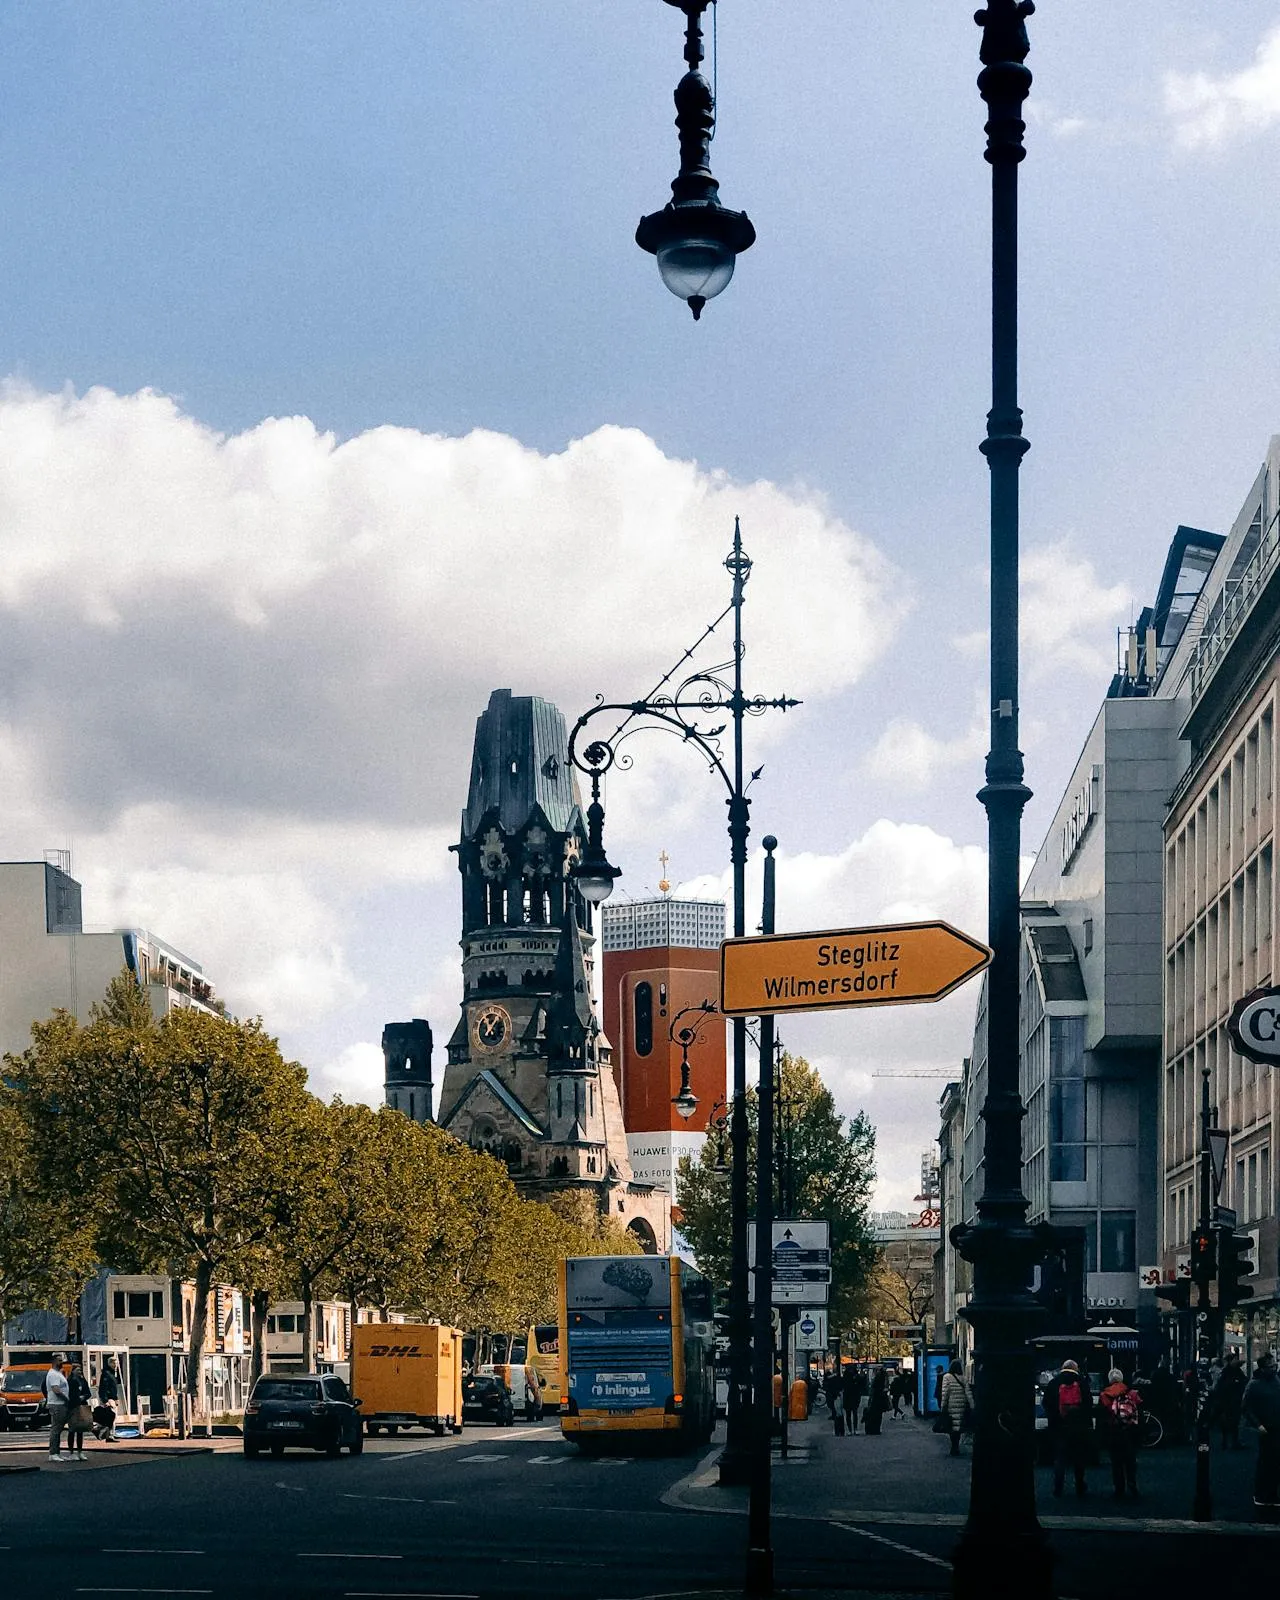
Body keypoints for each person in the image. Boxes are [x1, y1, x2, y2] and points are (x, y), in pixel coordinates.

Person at [1042, 1358, 1094, 1498]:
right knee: (1079, 1458)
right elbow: (1088, 1403)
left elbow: (1046, 1403)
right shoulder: (1082, 1382)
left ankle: (1058, 1488)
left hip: (1059, 1427)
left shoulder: (1054, 1383)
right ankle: (1080, 1486)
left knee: (1060, 1458)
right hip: (1078, 1427)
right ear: (1075, 1368)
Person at [1241, 1350, 1280, 1517]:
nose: (1275, 1368)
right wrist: (1258, 1425)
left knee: (1276, 1462)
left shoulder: (1276, 1381)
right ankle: (1261, 1494)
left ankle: (1271, 1494)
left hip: (1277, 1426)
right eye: (1272, 1366)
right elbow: (1246, 1408)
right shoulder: (1254, 1385)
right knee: (1265, 1462)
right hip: (1266, 1428)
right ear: (1263, 1368)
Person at [1098, 1368, 1142, 1500]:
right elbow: (1139, 1410)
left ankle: (1119, 1488)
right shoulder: (1132, 1393)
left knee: (1116, 1462)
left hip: (1114, 1431)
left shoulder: (1104, 1395)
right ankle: (1132, 1483)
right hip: (1129, 1431)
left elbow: (1102, 1416)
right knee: (1130, 1460)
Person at [1212, 1351, 1247, 1451]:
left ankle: (1232, 1442)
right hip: (1228, 1400)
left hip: (1233, 1400)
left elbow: (1243, 1380)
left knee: (1233, 1422)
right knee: (1228, 1422)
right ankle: (1228, 1442)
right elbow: (1223, 1386)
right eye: (1234, 1359)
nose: (1236, 1361)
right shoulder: (1227, 1372)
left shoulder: (1235, 1371)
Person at [938, 1359, 970, 1457]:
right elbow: (968, 1393)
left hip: (951, 1405)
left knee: (952, 1427)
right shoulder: (963, 1378)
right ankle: (956, 1446)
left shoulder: (947, 1377)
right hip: (962, 1405)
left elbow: (945, 1393)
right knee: (958, 1426)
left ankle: (954, 1446)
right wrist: (972, 1406)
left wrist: (943, 1406)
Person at [44, 1354, 71, 1462]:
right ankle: (53, 1453)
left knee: (58, 1429)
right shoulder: (53, 1374)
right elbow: (56, 1389)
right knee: (56, 1429)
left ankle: (57, 1452)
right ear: (54, 1362)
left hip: (60, 1404)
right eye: (60, 1360)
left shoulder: (58, 1373)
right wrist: (66, 1399)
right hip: (57, 1404)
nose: (62, 1363)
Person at [66, 1362, 93, 1461]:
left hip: (82, 1406)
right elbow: (69, 1394)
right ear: (73, 1371)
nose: (80, 1372)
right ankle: (71, 1452)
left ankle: (80, 1451)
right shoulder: (70, 1381)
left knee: (81, 1429)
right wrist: (77, 1398)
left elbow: (88, 1393)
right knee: (72, 1429)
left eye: (80, 1370)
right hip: (73, 1407)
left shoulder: (82, 1380)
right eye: (77, 1370)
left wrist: (84, 1397)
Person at [96, 1356, 124, 1442]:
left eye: (116, 1363)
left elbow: (113, 1388)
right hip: (109, 1399)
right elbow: (103, 1388)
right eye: (114, 1363)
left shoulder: (111, 1373)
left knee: (112, 1417)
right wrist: (105, 1400)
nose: (116, 1365)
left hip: (112, 1398)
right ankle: (108, 1435)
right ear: (110, 1363)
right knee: (111, 1417)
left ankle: (110, 1434)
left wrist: (116, 1398)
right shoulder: (106, 1374)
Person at [863, 1366, 889, 1436]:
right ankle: (877, 1429)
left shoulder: (877, 1379)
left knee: (875, 1415)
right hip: (880, 1400)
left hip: (875, 1400)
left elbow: (873, 1390)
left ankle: (873, 1429)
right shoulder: (883, 1378)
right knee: (879, 1416)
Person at [840, 1363, 864, 1435]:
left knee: (848, 1414)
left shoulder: (846, 1375)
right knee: (854, 1413)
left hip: (848, 1396)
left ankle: (850, 1430)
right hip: (854, 1396)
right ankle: (855, 1429)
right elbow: (861, 1385)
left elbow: (843, 1385)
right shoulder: (856, 1375)